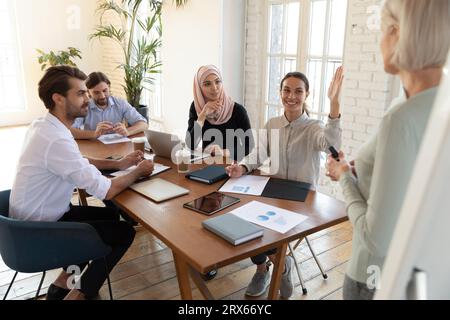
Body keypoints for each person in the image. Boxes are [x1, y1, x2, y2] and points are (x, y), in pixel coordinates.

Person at [325, 0, 450, 300]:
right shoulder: (435, 102)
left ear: (396, 33)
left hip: (374, 279)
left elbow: (375, 240)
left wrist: (343, 176)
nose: (379, 41)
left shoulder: (400, 118)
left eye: (382, 31)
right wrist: (363, 170)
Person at [9, 65, 155, 300]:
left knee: (108, 218)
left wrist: (119, 165)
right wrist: (138, 170)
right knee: (124, 232)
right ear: (58, 98)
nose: (88, 98)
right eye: (80, 93)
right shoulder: (56, 138)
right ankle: (80, 295)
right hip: (38, 232)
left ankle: (61, 285)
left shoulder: (45, 125)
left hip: (30, 220)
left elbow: (79, 160)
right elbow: (107, 191)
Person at [226, 67, 344, 299]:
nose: (291, 96)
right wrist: (242, 167)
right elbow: (258, 154)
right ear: (280, 92)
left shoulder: (314, 127)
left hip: (303, 197)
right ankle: (271, 264)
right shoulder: (272, 124)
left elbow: (331, 144)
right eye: (286, 90)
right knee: (243, 218)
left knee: (267, 229)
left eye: (298, 91)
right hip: (275, 190)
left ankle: (279, 262)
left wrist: (334, 105)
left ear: (306, 95)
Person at [186, 65, 254, 162]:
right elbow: (190, 144)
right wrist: (202, 115)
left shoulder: (237, 110)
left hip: (232, 166)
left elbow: (250, 147)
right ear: (199, 88)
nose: (214, 88)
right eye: (207, 84)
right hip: (206, 165)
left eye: (217, 82)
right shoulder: (196, 107)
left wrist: (223, 152)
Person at [70, 72, 148, 139]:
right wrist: (94, 134)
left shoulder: (120, 103)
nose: (102, 96)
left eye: (105, 90)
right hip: (94, 148)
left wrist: (127, 131)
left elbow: (143, 124)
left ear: (109, 87)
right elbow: (70, 131)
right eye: (96, 92)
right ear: (88, 92)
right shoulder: (84, 105)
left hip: (118, 147)